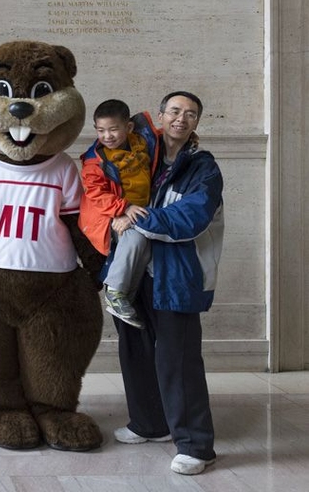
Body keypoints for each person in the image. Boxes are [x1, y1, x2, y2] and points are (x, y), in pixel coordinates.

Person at [112, 91, 224, 476]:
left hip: (177, 277)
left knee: (178, 361)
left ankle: (196, 445)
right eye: (174, 111)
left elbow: (190, 217)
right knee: (136, 352)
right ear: (159, 117)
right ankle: (149, 424)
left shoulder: (203, 169)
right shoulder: (140, 158)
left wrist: (136, 219)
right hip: (135, 276)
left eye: (190, 114)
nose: (181, 118)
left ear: (196, 123)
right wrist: (116, 212)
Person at [79, 99, 159, 329]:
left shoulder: (142, 142)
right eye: (101, 130)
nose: (107, 136)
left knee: (145, 247)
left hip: (139, 210)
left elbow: (163, 137)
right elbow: (96, 194)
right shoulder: (95, 161)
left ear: (129, 127)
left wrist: (188, 140)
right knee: (136, 238)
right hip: (107, 217)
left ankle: (125, 299)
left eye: (113, 129)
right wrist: (123, 209)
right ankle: (114, 292)